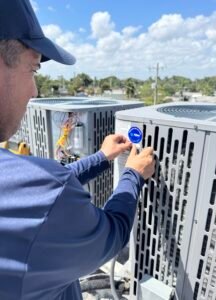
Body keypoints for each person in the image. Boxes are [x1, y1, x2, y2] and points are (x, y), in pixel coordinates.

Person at [0, 1, 155, 299]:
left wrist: (100, 158)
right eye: (33, 68)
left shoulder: (30, 189)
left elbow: (34, 196)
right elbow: (114, 231)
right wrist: (133, 175)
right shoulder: (45, 192)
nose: (34, 91)